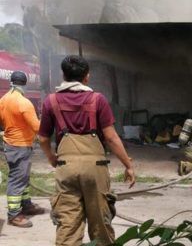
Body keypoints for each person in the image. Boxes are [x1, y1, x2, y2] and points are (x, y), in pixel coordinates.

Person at [38, 55, 136, 246]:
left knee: (68, 225)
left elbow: (42, 138)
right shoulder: (98, 100)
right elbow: (111, 137)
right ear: (87, 77)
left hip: (66, 168)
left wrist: (51, 157)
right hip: (95, 169)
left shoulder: (51, 101)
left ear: (63, 75)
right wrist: (128, 165)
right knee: (100, 223)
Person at [0, 70, 43, 228]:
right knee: (17, 179)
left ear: (11, 81)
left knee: (22, 177)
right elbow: (37, 127)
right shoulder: (24, 103)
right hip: (20, 145)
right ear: (25, 84)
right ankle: (14, 215)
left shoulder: (3, 99)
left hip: (10, 144)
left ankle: (26, 205)